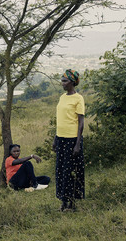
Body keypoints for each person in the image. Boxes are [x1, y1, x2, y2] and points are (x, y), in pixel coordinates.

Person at [52, 69, 85, 211]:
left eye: (65, 81)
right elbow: (60, 120)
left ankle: (72, 204)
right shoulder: (62, 97)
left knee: (71, 171)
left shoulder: (79, 99)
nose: (62, 83)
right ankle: (63, 202)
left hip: (72, 140)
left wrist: (77, 144)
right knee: (60, 171)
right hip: (61, 139)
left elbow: (81, 122)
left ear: (72, 82)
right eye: (62, 80)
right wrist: (55, 139)